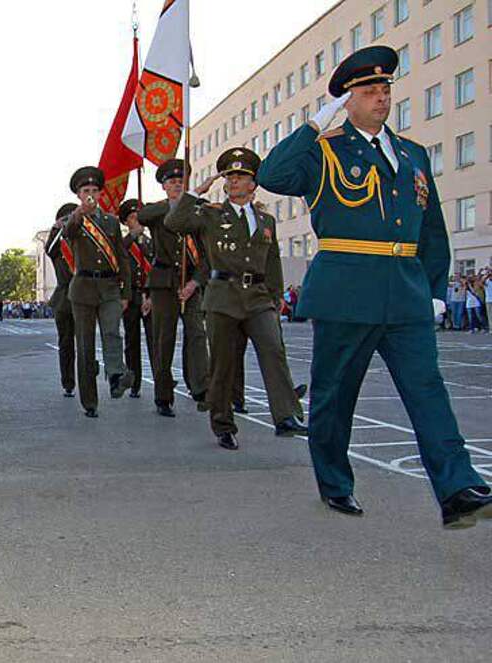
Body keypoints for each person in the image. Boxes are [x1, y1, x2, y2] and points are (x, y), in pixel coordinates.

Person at [258, 45, 492, 528]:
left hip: (405, 294)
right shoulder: (325, 151)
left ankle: (456, 486)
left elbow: (432, 230)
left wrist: (432, 292)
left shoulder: (412, 154)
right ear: (347, 99)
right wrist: (314, 125)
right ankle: (335, 482)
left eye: (385, 89)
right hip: (347, 292)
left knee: (428, 390)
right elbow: (272, 175)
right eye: (369, 90)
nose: (381, 97)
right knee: (334, 397)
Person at [166, 147, 307, 450]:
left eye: (240, 176)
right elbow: (174, 223)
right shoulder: (211, 214)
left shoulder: (266, 220)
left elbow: (272, 264)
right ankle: (223, 424)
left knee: (273, 350)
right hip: (223, 297)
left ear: (253, 183)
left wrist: (275, 300)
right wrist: (196, 192)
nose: (233, 181)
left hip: (258, 298)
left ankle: (286, 417)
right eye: (229, 176)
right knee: (223, 365)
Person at [137, 159, 210, 416]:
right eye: (171, 182)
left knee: (197, 335)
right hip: (164, 281)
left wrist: (194, 283)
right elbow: (143, 216)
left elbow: (207, 253)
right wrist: (180, 203)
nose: (176, 185)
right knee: (164, 339)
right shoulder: (157, 210)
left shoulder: (201, 209)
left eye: (181, 182)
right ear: (164, 187)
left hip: (191, 280)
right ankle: (163, 396)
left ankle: (201, 388)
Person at [62, 166, 133, 417]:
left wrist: (127, 292)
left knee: (112, 331)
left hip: (109, 287)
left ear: (100, 193)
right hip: (82, 289)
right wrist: (79, 213)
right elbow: (68, 233)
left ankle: (115, 375)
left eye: (94, 190)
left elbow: (122, 258)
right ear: (79, 195)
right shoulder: (73, 220)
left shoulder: (111, 222)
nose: (90, 194)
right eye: (85, 191)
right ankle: (89, 401)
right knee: (85, 345)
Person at [117, 199, 155, 400]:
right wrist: (132, 237)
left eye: (139, 217)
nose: (137, 221)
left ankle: (161, 382)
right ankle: (134, 382)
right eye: (132, 218)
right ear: (126, 222)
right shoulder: (123, 244)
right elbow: (117, 259)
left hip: (149, 296)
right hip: (130, 297)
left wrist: (150, 295)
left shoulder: (152, 242)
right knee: (132, 342)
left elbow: (157, 269)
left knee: (155, 341)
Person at [44, 203, 78, 397]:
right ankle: (68, 383)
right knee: (66, 343)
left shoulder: (82, 240)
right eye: (65, 218)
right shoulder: (57, 246)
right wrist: (56, 228)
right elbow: (49, 248)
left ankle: (88, 376)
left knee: (85, 342)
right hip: (64, 298)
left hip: (84, 295)